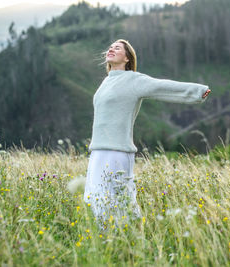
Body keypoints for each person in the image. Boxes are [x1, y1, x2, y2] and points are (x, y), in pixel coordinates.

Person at [83, 39, 211, 230]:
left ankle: (130, 236)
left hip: (117, 151)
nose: (111, 49)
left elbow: (162, 86)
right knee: (94, 197)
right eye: (110, 47)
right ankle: (105, 238)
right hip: (98, 151)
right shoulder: (106, 81)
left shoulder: (133, 80)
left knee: (119, 199)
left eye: (117, 48)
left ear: (127, 58)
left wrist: (196, 92)